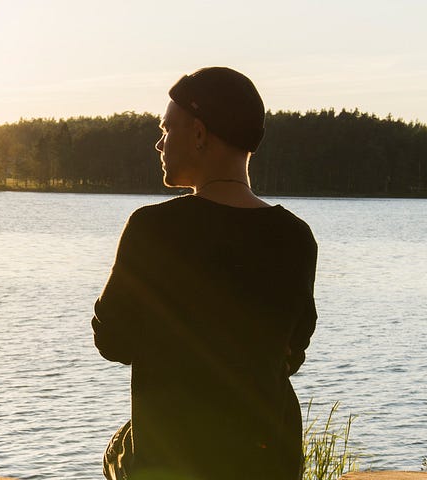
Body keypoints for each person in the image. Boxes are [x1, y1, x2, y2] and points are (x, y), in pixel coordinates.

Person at [91, 66, 319, 480]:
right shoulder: (297, 237)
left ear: (198, 134)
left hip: (174, 461)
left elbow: (112, 341)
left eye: (167, 128)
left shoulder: (153, 229)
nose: (159, 143)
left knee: (119, 449)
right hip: (270, 460)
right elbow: (293, 351)